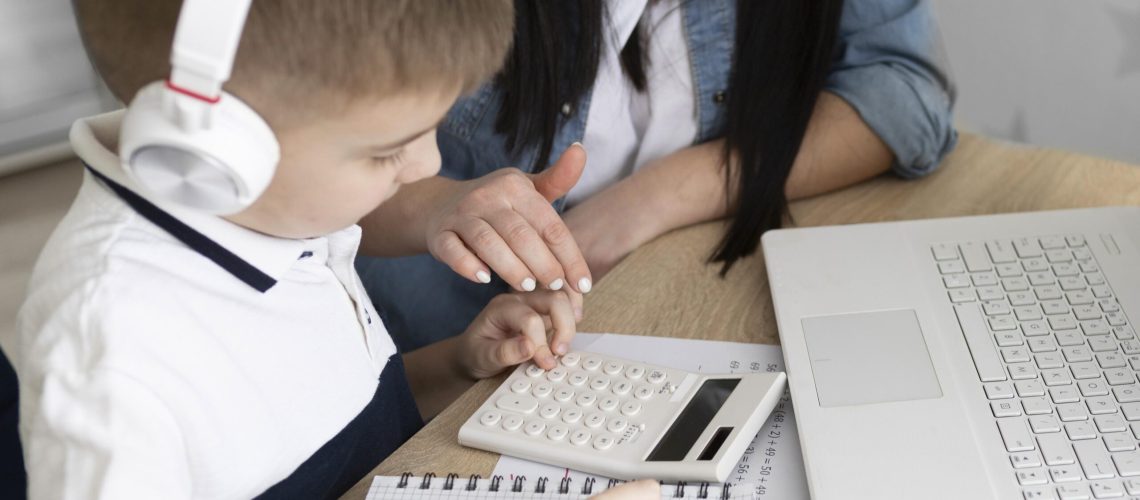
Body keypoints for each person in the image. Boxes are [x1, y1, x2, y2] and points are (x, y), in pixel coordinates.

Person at [10, 1, 656, 498]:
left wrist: (458, 366)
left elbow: (336, 436)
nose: (428, 164)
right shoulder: (110, 353)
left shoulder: (284, 220)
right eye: (385, 149)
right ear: (216, 145)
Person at [356, 0, 959, 352]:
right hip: (417, 356)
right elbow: (307, 161)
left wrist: (653, 200)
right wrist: (441, 208)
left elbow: (904, 92)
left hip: (671, 301)